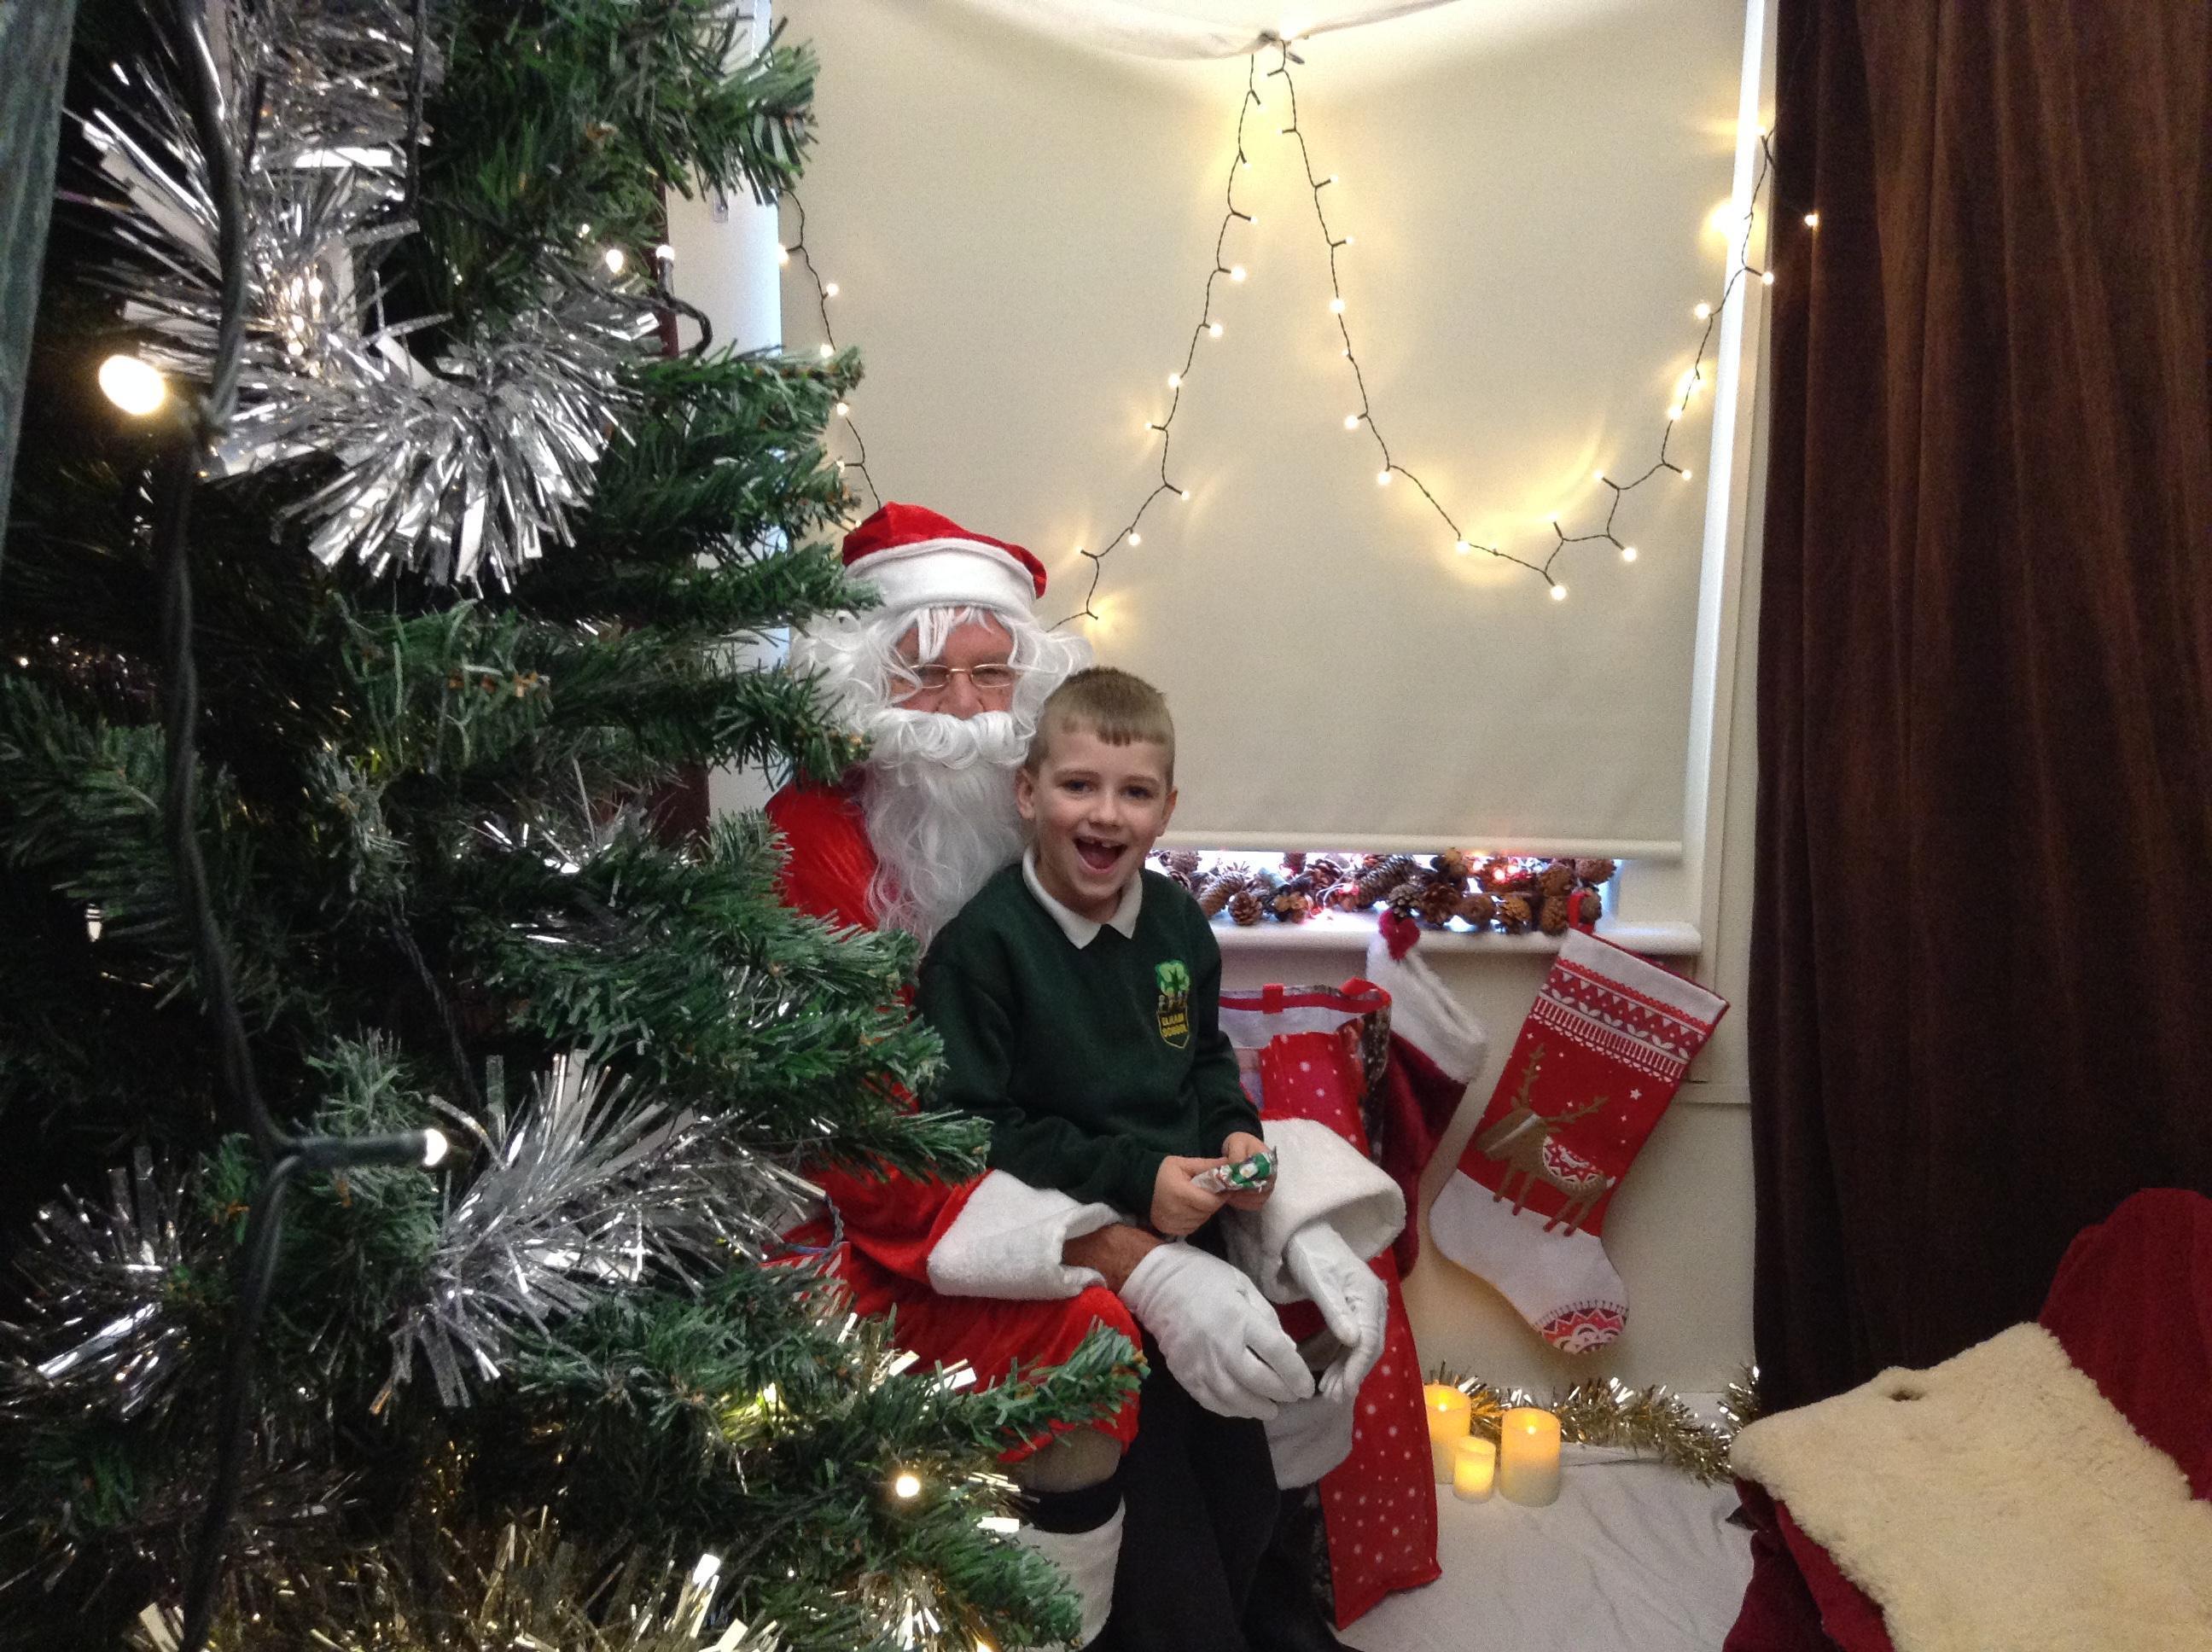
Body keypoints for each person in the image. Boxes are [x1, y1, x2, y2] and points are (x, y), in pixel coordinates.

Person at [769, 504, 1400, 1650]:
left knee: (1272, 1306)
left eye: (990, 673)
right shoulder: (830, 854)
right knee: (1106, 1338)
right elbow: (901, 1146)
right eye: (924, 677)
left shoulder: (1132, 895)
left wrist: (1251, 1173)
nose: (964, 711)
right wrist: (1136, 1249)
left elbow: (1188, 1053)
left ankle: (1271, 1603)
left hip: (1099, 1171)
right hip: (914, 1215)